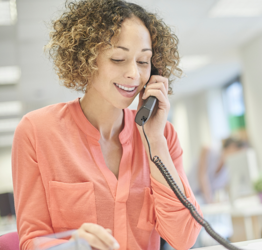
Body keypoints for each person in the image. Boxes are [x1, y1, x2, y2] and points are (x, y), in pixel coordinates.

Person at [11, 1, 201, 250]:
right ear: (87, 59)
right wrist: (73, 247)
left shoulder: (163, 136)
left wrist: (154, 142)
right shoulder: (36, 131)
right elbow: (31, 240)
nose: (134, 73)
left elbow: (184, 238)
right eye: (118, 58)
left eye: (143, 61)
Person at [189, 137, 247, 204]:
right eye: (238, 152)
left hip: (202, 201)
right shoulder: (208, 151)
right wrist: (210, 201)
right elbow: (202, 176)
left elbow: (227, 188)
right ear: (232, 146)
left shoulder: (227, 170)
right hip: (189, 193)